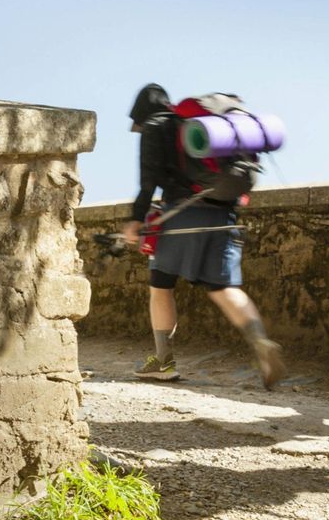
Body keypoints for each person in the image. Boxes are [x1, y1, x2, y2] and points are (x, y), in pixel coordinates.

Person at [121, 83, 287, 388]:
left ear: (142, 114)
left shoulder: (156, 127)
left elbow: (148, 184)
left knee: (160, 285)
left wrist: (135, 220)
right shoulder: (193, 126)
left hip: (182, 215)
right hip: (224, 213)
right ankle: (261, 343)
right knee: (224, 288)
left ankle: (163, 361)